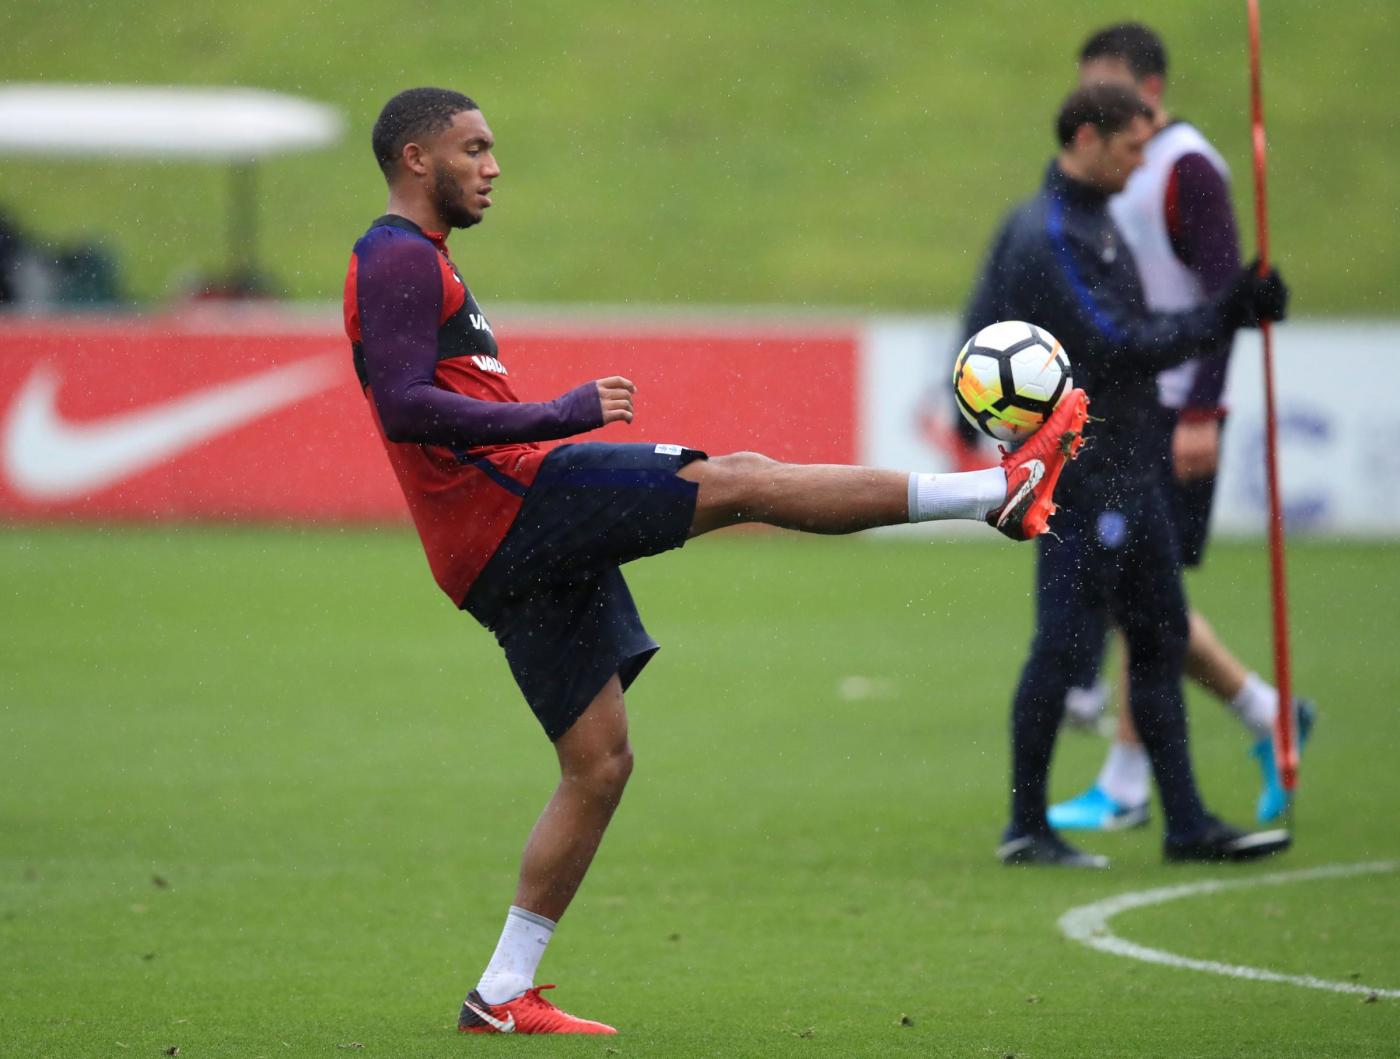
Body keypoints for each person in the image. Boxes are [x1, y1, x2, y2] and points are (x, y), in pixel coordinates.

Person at [346, 87, 1090, 1035]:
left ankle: (499, 992)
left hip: (488, 541)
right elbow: (405, 407)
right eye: (473, 148)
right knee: (738, 479)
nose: (493, 166)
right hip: (512, 504)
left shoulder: (420, 261)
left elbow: (422, 399)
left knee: (599, 764)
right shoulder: (395, 257)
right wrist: (555, 415)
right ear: (416, 159)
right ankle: (995, 494)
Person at [957, 81, 1292, 869]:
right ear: (1086, 137)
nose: (1143, 162)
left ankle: (1186, 823)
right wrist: (1226, 311)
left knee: (1160, 638)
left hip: (1132, 465)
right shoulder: (1050, 235)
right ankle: (1027, 826)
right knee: (1061, 646)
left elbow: (1131, 337)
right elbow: (1112, 343)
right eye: (1132, 146)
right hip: (1081, 475)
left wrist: (1229, 309)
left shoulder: (1097, 219)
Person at [1048, 23, 1315, 833]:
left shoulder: (1185, 166)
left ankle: (1135, 777)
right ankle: (1259, 714)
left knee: (1142, 593)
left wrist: (1201, 409)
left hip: (1171, 407)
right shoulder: (1108, 169)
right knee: (1140, 592)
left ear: (1150, 90)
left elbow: (1223, 291)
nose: (1091, 108)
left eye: (1108, 87)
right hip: (1124, 403)